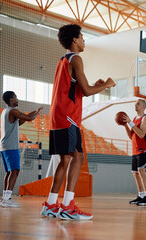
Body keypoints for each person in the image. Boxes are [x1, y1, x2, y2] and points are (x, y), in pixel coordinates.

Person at [40, 24, 116, 220]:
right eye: (82, 37)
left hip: (59, 116)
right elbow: (88, 91)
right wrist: (107, 85)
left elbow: (80, 89)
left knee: (66, 159)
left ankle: (50, 204)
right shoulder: (77, 59)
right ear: (74, 39)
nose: (84, 40)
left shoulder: (63, 61)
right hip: (67, 116)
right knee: (77, 157)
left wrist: (97, 86)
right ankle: (68, 206)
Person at [0, 91, 43, 208]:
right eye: (15, 97)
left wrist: (33, 112)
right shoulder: (13, 111)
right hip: (10, 146)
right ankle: (7, 199)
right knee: (15, 171)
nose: (17, 99)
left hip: (4, 146)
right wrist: (37, 112)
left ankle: (4, 198)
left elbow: (19, 122)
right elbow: (29, 118)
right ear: (11, 100)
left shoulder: (6, 111)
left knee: (9, 172)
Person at [122, 99, 146, 206]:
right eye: (135, 104)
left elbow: (141, 134)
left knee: (141, 171)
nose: (135, 105)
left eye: (138, 104)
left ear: (143, 107)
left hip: (144, 149)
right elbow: (132, 136)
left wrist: (130, 123)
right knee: (135, 173)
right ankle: (141, 196)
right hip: (135, 150)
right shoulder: (135, 119)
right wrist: (125, 125)